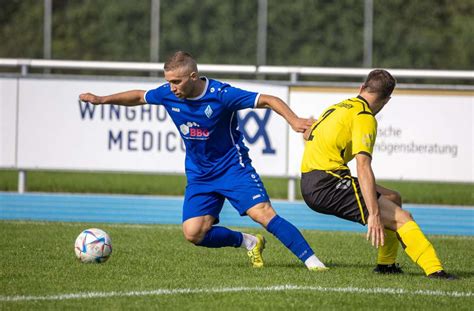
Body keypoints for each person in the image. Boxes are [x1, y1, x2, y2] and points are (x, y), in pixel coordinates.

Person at [79, 51, 327, 271]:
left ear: (193, 76)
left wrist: (294, 121)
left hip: (233, 168)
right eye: (168, 81)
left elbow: (269, 99)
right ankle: (248, 241)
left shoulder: (222, 95)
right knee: (193, 232)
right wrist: (102, 100)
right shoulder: (168, 94)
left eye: (176, 81)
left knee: (263, 214)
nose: (171, 87)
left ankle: (313, 263)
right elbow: (139, 96)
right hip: (200, 175)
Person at [300, 69, 455, 279]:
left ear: (362, 88)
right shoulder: (364, 117)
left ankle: (386, 265)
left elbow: (308, 134)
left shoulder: (336, 107)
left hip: (313, 179)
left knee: (393, 198)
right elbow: (363, 166)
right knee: (403, 218)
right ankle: (436, 271)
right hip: (328, 184)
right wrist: (374, 214)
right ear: (387, 100)